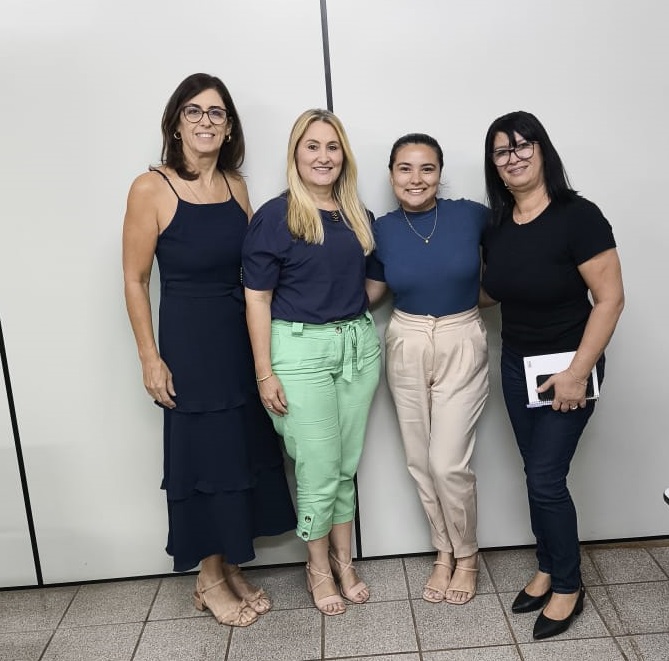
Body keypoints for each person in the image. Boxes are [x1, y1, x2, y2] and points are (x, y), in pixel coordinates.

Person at [122, 73, 296, 628]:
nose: (204, 121)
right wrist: (150, 357)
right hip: (190, 346)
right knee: (206, 460)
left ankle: (228, 564)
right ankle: (208, 576)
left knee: (239, 454)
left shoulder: (235, 185)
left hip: (239, 341)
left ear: (228, 127)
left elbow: (254, 271)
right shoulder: (150, 188)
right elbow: (134, 278)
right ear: (176, 122)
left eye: (216, 113)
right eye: (193, 111)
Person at [480, 111, 624, 639]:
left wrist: (576, 373)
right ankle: (547, 565)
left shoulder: (577, 215)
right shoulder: (496, 225)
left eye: (523, 146)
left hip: (570, 363)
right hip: (518, 363)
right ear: (493, 164)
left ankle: (568, 583)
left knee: (545, 478)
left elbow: (610, 299)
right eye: (501, 151)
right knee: (535, 474)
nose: (513, 158)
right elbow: (492, 290)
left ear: (543, 151)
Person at [242, 109, 381, 616]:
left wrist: (351, 316)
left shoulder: (353, 213)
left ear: (344, 156)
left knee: (344, 466)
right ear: (295, 154)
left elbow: (372, 280)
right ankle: (317, 567)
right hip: (298, 352)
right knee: (318, 467)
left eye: (332, 147)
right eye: (312, 146)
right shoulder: (275, 216)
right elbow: (256, 299)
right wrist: (265, 371)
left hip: (357, 349)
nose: (323, 157)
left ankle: (345, 562)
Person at [366, 134, 489, 606]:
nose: (416, 179)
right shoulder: (382, 229)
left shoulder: (472, 216)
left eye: (426, 169)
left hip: (462, 336)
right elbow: (373, 290)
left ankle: (469, 554)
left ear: (440, 173)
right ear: (391, 173)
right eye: (405, 168)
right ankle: (444, 552)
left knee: (447, 462)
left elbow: (506, 266)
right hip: (406, 337)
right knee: (420, 460)